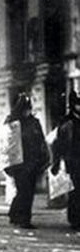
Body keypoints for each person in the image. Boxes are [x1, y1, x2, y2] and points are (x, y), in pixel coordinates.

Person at [5, 93, 49, 229]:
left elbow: (41, 140)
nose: (28, 111)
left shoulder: (34, 122)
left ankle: (14, 213)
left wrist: (43, 158)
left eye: (29, 108)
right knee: (24, 190)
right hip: (19, 162)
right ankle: (24, 219)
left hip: (33, 161)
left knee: (27, 190)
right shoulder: (12, 123)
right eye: (26, 108)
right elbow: (6, 143)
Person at [52, 91, 80, 231]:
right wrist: (56, 162)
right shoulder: (66, 122)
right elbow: (58, 145)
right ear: (73, 106)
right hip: (73, 161)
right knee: (75, 191)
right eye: (78, 104)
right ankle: (74, 219)